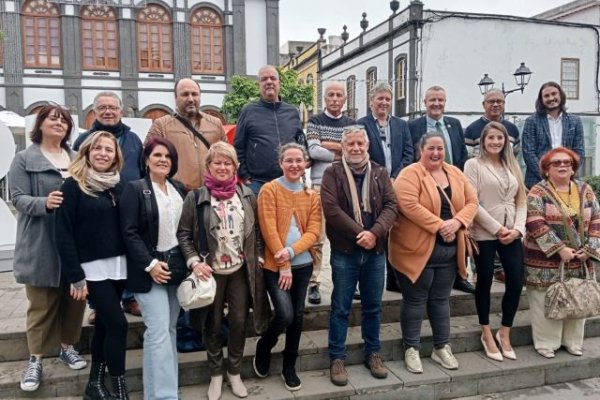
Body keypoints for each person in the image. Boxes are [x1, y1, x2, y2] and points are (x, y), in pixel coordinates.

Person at [177, 142, 271, 400]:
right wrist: (195, 261)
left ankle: (234, 372)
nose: (222, 167)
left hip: (240, 271)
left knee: (240, 322)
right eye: (217, 162)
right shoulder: (195, 197)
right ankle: (216, 374)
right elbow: (184, 235)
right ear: (208, 166)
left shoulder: (247, 194)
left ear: (235, 167)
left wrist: (259, 256)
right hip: (211, 272)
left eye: (227, 163)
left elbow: (257, 230)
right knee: (213, 323)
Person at [8, 104, 87, 392]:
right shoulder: (23, 158)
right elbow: (16, 197)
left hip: (75, 242)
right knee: (40, 304)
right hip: (40, 242)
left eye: (63, 120)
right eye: (52, 118)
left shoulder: (77, 157)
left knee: (75, 299)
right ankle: (36, 359)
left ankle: (67, 346)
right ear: (40, 124)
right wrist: (44, 203)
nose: (58, 123)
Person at [389, 131, 478, 374]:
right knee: (415, 300)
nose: (436, 153)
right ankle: (412, 349)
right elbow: (408, 205)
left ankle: (441, 347)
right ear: (421, 150)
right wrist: (441, 225)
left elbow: (472, 202)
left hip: (449, 250)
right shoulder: (409, 174)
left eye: (440, 148)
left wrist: (457, 223)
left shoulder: (455, 173)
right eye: (431, 148)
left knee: (441, 300)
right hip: (416, 249)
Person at [321, 125, 398, 386]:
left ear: (367, 146)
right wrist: (361, 234)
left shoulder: (380, 172)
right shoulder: (332, 173)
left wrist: (374, 233)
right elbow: (331, 210)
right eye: (350, 144)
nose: (355, 148)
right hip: (345, 252)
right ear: (343, 147)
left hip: (375, 252)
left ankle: (373, 353)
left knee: (373, 307)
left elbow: (391, 205)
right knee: (341, 307)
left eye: (359, 144)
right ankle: (337, 358)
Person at [55, 131, 129, 400]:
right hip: (91, 270)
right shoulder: (73, 186)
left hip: (118, 267)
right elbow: (62, 233)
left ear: (115, 156)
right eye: (97, 148)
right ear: (86, 152)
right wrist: (75, 276)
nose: (102, 153)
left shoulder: (118, 186)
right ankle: (120, 390)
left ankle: (95, 385)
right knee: (119, 325)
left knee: (106, 327)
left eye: (108, 150)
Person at [120, 137, 187, 399]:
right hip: (149, 270)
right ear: (147, 159)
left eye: (168, 156)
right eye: (157, 155)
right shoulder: (134, 189)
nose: (163, 160)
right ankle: (164, 396)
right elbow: (129, 233)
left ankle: (161, 392)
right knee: (158, 330)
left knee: (168, 330)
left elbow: (186, 230)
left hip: (176, 269)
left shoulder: (179, 188)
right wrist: (150, 264)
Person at [253, 143, 322, 391]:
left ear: (305, 163)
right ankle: (265, 345)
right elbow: (268, 227)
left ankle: (288, 365)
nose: (294, 165)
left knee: (298, 316)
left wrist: (292, 252)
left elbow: (314, 231)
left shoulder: (311, 194)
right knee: (284, 313)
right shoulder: (269, 190)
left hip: (303, 264)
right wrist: (283, 263)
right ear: (281, 163)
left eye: (299, 160)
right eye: (289, 160)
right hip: (275, 266)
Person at [524, 147, 600, 358]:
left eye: (567, 163)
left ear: (574, 168)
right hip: (543, 261)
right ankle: (546, 343)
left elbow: (597, 219)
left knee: (578, 298)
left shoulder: (586, 190)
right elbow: (534, 221)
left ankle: (573, 342)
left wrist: (590, 249)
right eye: (556, 163)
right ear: (546, 170)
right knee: (544, 301)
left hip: (581, 259)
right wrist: (559, 249)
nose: (562, 166)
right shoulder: (538, 191)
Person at [74, 91, 144, 319]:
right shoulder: (83, 140)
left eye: (112, 107)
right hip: (96, 206)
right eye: (102, 107)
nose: (108, 111)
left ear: (121, 111)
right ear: (94, 112)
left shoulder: (133, 139)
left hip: (128, 204)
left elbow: (142, 171)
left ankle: (129, 298)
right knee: (98, 255)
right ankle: (98, 305)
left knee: (129, 251)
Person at [463, 122, 527, 361]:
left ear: (506, 142)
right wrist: (497, 228)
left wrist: (518, 229)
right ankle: (486, 331)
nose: (496, 142)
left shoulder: (511, 166)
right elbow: (472, 201)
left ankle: (505, 332)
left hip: (511, 232)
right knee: (485, 280)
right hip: (486, 231)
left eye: (500, 138)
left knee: (516, 280)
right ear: (483, 141)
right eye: (491, 138)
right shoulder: (473, 165)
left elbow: (521, 200)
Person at [408, 85, 474, 294]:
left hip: (453, 183)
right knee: (432, 228)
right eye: (432, 100)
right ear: (424, 103)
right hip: (426, 184)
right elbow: (411, 154)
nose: (436, 104)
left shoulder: (454, 124)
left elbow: (461, 155)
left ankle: (459, 276)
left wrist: (460, 181)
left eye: (440, 100)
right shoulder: (413, 126)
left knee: (458, 227)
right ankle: (426, 270)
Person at [357, 81, 414, 293]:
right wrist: (381, 177)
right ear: (371, 101)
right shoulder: (361, 125)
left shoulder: (401, 125)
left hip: (398, 184)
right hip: (371, 185)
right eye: (379, 98)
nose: (384, 102)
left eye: (387, 99)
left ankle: (394, 278)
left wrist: (396, 176)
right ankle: (370, 280)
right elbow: (361, 154)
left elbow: (409, 153)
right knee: (375, 228)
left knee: (397, 231)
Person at [306, 81, 355, 304]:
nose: (335, 98)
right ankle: (314, 283)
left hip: (347, 186)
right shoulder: (315, 121)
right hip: (320, 185)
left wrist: (329, 145)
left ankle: (347, 283)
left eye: (339, 95)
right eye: (331, 95)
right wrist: (340, 148)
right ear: (324, 98)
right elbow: (313, 150)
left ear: (345, 99)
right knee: (317, 237)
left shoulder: (352, 123)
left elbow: (356, 150)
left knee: (347, 237)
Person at [233, 65, 304, 196]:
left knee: (291, 217)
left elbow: (300, 142)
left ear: (279, 83)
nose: (269, 82)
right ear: (258, 84)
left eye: (273, 78)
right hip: (257, 183)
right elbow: (238, 146)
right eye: (264, 79)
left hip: (289, 181)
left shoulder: (292, 111)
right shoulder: (248, 111)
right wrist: (245, 175)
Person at [146, 78, 226, 190]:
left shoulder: (215, 124)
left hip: (210, 193)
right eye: (185, 94)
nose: (190, 99)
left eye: (194, 94)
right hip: (177, 194)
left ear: (200, 96)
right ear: (175, 97)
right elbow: (148, 160)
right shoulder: (161, 125)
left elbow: (227, 157)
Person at [522, 82, 585, 189]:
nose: (551, 98)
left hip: (568, 181)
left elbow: (579, 152)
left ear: (560, 95)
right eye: (546, 96)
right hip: (538, 182)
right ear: (541, 100)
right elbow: (529, 154)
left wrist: (565, 174)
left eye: (554, 94)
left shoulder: (575, 121)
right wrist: (547, 175)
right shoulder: (531, 121)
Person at [464, 89, 520, 159]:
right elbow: (467, 156)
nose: (495, 105)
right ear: (484, 105)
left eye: (499, 101)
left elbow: (515, 155)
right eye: (491, 101)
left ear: (504, 104)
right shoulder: (472, 129)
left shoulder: (512, 129)